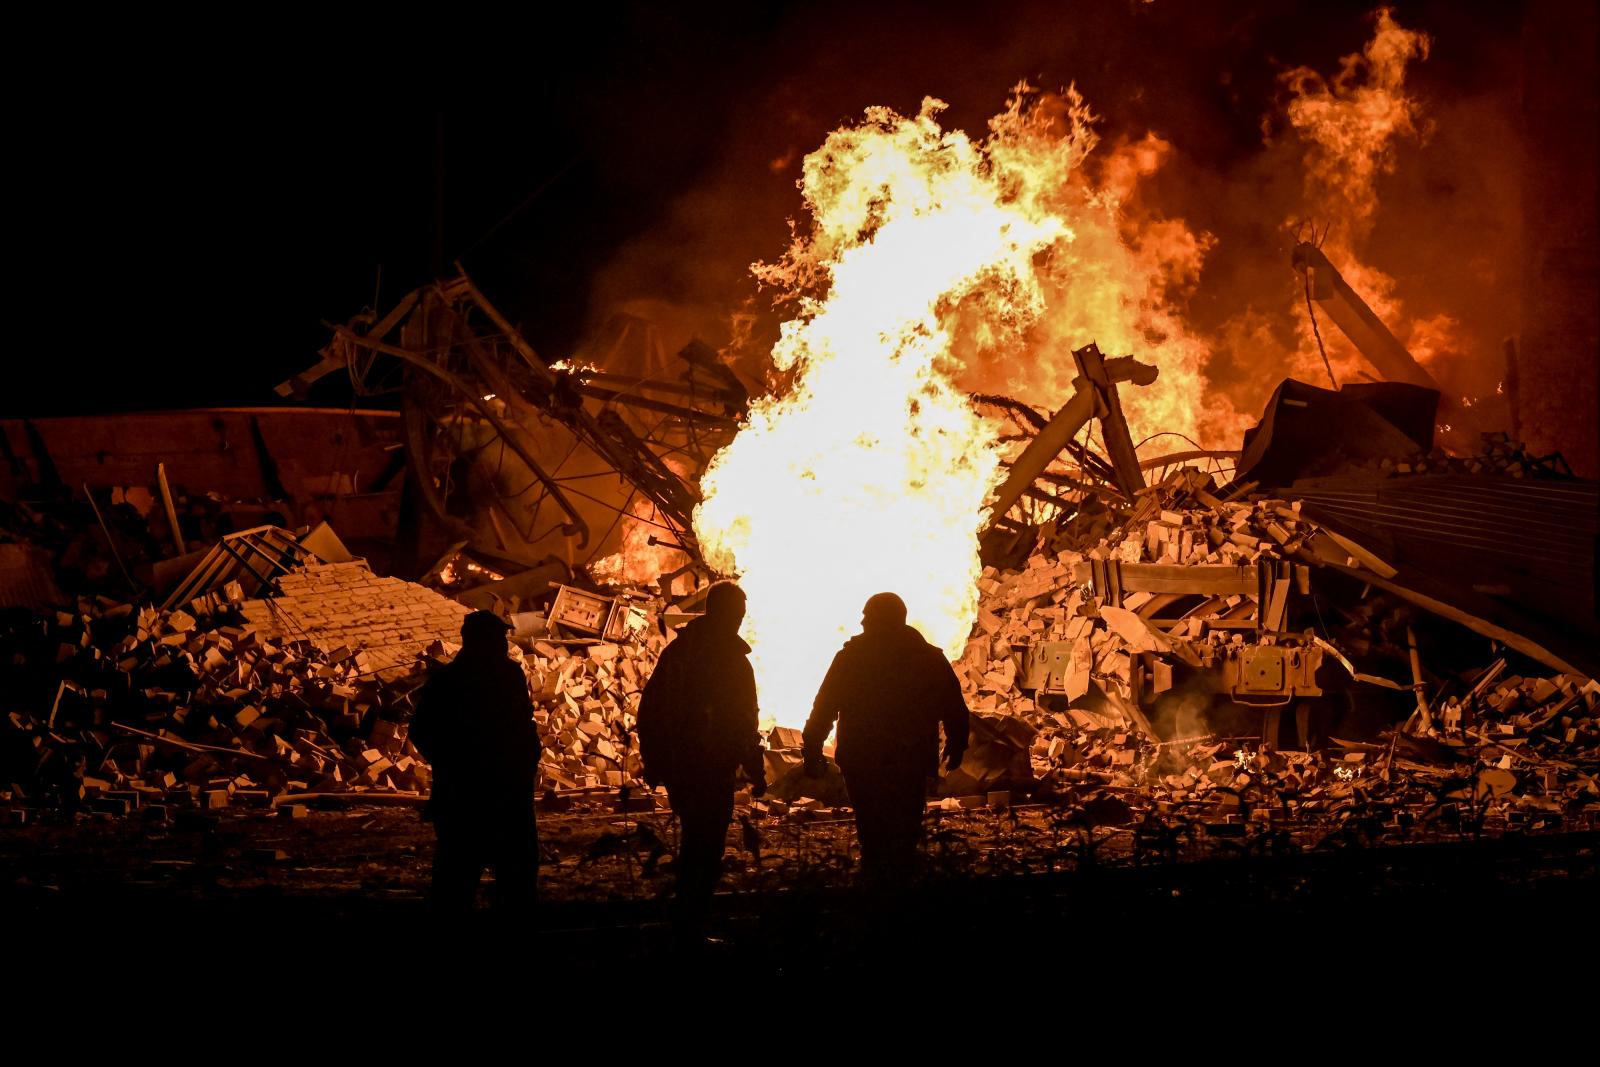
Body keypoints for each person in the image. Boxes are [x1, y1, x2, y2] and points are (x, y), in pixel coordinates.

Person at [803, 592, 969, 886]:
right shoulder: (928, 658)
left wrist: (813, 746)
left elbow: (825, 705)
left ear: (881, 619)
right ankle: (900, 885)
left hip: (863, 760)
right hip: (910, 759)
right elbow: (954, 707)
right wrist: (956, 745)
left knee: (872, 827)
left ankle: (876, 885)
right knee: (905, 827)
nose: (862, 621)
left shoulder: (852, 658)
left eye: (868, 616)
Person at [636, 581, 766, 940]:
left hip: (684, 767)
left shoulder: (679, 653)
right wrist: (754, 767)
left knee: (698, 843)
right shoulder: (729, 661)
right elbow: (744, 720)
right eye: (737, 614)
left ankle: (688, 921)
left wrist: (656, 761)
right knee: (704, 848)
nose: (740, 621)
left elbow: (650, 711)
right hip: (709, 768)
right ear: (724, 613)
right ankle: (690, 926)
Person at [409, 609, 542, 914]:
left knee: (457, 879)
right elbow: (523, 726)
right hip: (502, 794)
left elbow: (421, 730)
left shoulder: (448, 679)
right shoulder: (506, 676)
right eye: (499, 638)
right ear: (485, 641)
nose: (504, 643)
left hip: (464, 796)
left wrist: (447, 765)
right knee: (513, 878)